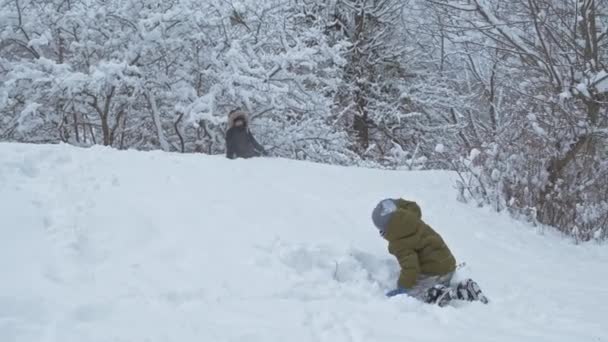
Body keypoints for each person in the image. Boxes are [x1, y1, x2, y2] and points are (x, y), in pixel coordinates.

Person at [371, 198, 488, 306]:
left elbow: (411, 268)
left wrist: (402, 287)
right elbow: (411, 205)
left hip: (435, 273)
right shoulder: (413, 217)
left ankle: (442, 293)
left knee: (415, 296)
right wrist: (395, 202)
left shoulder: (399, 243)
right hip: (448, 263)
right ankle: (464, 288)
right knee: (441, 278)